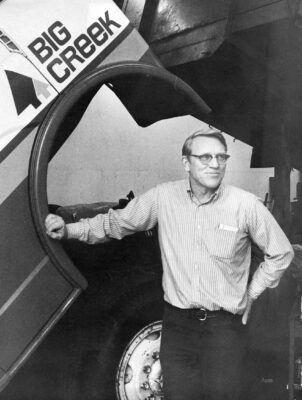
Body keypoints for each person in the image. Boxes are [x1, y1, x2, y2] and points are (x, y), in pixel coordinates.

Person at [45, 128, 294, 400]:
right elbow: (115, 223)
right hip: (177, 329)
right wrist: (69, 230)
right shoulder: (163, 198)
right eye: (205, 157)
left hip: (224, 330)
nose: (215, 164)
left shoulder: (245, 205)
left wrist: (252, 293)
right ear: (186, 162)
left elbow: (281, 253)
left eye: (221, 157)